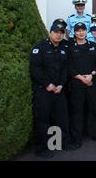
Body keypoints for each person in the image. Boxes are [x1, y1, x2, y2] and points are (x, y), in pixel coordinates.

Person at [29, 20, 71, 158]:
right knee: (43, 119)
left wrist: (61, 84)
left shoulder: (63, 48)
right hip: (43, 90)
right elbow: (35, 69)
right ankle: (42, 149)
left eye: (61, 33)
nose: (58, 35)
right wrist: (47, 84)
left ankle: (58, 143)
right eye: (56, 32)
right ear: (50, 32)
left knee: (61, 118)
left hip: (58, 89)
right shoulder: (39, 47)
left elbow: (65, 69)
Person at [67, 22, 96, 149]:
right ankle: (77, 138)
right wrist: (80, 77)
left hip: (92, 82)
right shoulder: (70, 47)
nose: (81, 32)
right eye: (78, 31)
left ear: (86, 31)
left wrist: (91, 75)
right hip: (77, 83)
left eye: (83, 30)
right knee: (77, 111)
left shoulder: (93, 46)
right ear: (74, 32)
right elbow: (69, 66)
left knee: (94, 109)